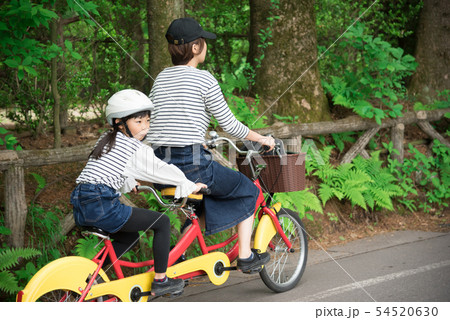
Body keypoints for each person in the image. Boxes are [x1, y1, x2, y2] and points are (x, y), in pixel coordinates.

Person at [147, 18, 276, 273]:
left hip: (159, 167)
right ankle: (247, 256)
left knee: (202, 201)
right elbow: (229, 125)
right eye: (203, 42)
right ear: (195, 48)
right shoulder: (204, 80)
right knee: (249, 190)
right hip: (191, 166)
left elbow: (159, 123)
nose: (206, 46)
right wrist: (261, 139)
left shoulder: (160, 78)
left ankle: (179, 256)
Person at [70, 89, 207, 296]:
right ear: (119, 122)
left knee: (129, 236)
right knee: (162, 222)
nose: (145, 127)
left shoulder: (106, 139)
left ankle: (91, 277)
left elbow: (111, 167)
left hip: (81, 202)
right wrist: (188, 184)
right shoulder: (134, 148)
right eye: (139, 122)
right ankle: (161, 280)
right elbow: (160, 170)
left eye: (147, 121)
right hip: (101, 203)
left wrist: (129, 182)